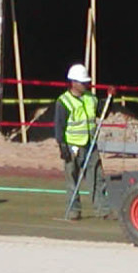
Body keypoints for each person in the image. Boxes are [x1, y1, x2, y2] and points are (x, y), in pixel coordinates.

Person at [55, 63, 109, 220]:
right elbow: (59, 125)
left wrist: (109, 100)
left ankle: (102, 209)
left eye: (86, 82)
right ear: (73, 82)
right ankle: (73, 211)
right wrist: (62, 146)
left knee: (97, 178)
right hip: (72, 146)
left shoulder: (91, 98)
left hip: (90, 145)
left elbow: (102, 113)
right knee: (72, 179)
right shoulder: (63, 101)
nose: (85, 84)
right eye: (82, 82)